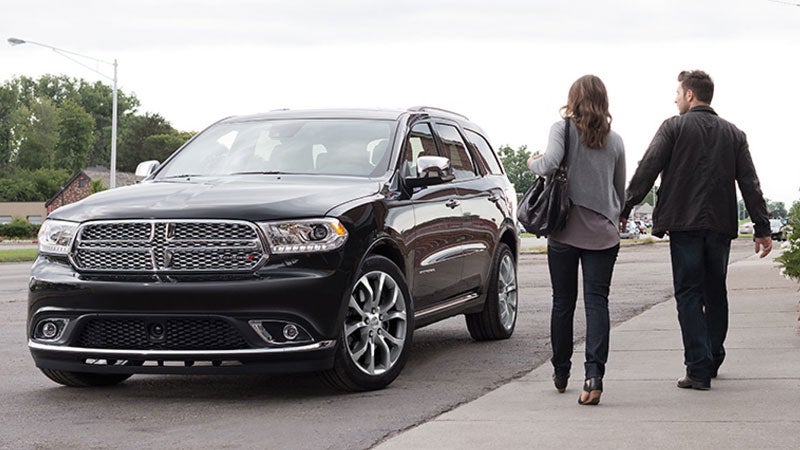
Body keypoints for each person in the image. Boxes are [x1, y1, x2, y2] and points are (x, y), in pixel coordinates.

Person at [622, 70, 772, 391]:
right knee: (715, 291)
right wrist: (762, 227)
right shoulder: (734, 134)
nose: (674, 98)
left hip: (684, 224)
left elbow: (647, 169)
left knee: (689, 293)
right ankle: (712, 355)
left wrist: (624, 208)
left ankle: (698, 367)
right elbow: (750, 183)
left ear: (690, 95)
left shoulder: (673, 127)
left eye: (677, 92)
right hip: (719, 225)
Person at [527, 75, 626, 406]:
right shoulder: (616, 141)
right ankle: (594, 376)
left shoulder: (562, 128)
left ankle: (560, 371)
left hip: (565, 231)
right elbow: (619, 191)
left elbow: (549, 163)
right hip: (603, 234)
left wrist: (532, 163)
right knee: (597, 303)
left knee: (562, 301)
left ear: (574, 98)